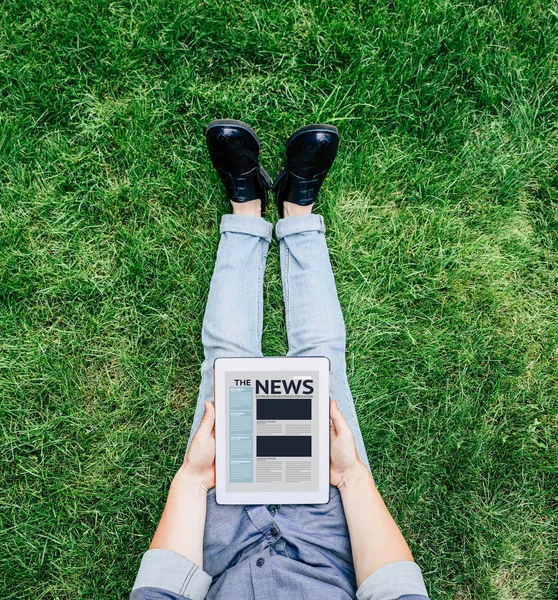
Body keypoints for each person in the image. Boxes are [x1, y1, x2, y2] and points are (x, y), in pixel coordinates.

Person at [130, 120, 430, 600]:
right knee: (322, 357)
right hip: (330, 515)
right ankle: (297, 207)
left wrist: (192, 479)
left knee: (226, 359)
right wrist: (350, 475)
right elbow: (395, 590)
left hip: (220, 527)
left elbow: (163, 588)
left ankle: (247, 208)